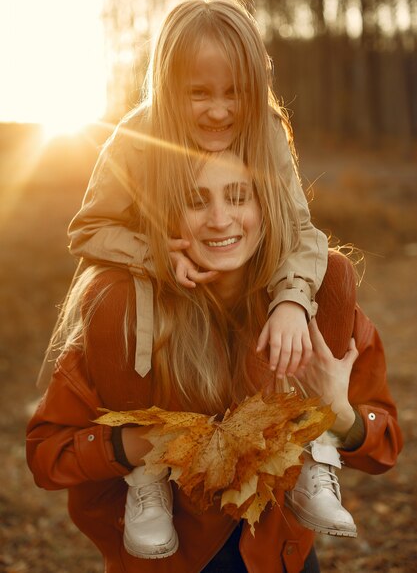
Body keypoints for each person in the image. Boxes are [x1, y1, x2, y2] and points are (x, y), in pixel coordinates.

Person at [35, 0, 354, 555]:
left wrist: (290, 301)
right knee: (109, 291)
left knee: (328, 270)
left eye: (234, 92)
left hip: (247, 288)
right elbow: (88, 229)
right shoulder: (137, 137)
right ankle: (148, 475)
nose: (219, 110)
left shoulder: (267, 131)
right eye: (198, 93)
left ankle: (312, 447)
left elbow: (300, 232)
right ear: (166, 88)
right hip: (169, 299)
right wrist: (157, 255)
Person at [27, 149, 403, 573]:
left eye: (239, 196)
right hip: (173, 559)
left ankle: (317, 457)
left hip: (276, 556)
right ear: (166, 213)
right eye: (196, 200)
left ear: (266, 206)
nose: (220, 218)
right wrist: (130, 445)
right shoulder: (128, 318)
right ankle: (147, 486)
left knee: (336, 269)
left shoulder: (314, 307)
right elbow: (46, 454)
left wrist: (339, 416)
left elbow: (384, 445)